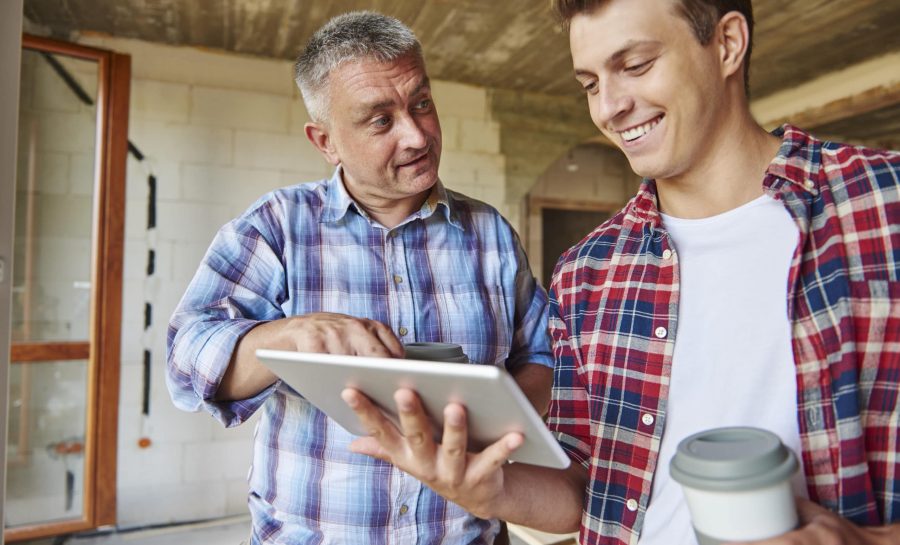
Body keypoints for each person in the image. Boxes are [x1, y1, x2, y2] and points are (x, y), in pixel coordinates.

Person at [342, 0, 900, 544]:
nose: (608, 106)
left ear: (727, 44)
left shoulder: (882, 205)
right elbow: (586, 485)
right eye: (589, 84)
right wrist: (486, 491)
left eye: (634, 66)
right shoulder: (588, 270)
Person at [165, 10, 553, 545]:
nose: (417, 135)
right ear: (325, 141)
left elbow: (542, 355)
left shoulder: (490, 233)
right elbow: (186, 362)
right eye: (380, 120)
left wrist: (497, 423)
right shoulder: (277, 225)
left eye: (422, 103)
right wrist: (286, 337)